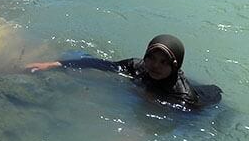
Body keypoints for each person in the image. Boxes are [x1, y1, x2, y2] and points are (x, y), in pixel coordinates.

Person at [26, 34, 222, 109]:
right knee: (78, 54)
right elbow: (101, 64)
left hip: (208, 102)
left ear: (175, 66)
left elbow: (186, 118)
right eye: (151, 58)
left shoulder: (183, 96)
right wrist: (54, 64)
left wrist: (151, 102)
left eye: (164, 62)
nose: (155, 65)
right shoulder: (137, 66)